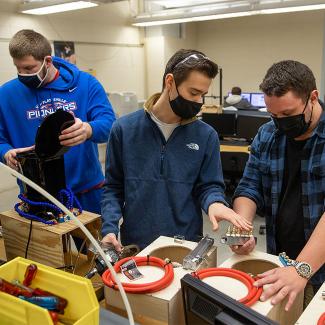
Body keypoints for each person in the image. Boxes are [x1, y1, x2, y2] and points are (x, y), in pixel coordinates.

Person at [101, 49, 252, 251]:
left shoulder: (206, 136)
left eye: (203, 95)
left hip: (186, 244)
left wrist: (215, 203)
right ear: (170, 82)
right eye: (193, 93)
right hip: (137, 244)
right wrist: (109, 228)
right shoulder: (124, 129)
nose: (199, 102)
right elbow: (113, 188)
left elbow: (209, 187)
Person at [232, 60, 325, 310]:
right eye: (273, 115)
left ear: (313, 97)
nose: (280, 122)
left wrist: (302, 268)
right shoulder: (267, 134)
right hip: (280, 258)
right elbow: (250, 185)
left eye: (287, 114)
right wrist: (242, 227)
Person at [0, 29, 116, 214]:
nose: (23, 75)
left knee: (95, 244)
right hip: (37, 194)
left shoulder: (86, 84)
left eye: (29, 68)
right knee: (43, 244)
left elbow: (110, 125)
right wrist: (5, 153)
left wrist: (88, 129)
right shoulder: (6, 95)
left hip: (87, 192)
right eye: (18, 68)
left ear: (47, 61)